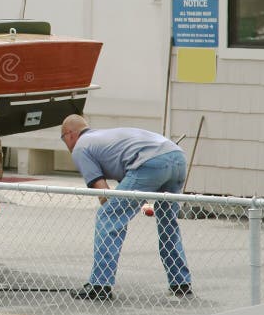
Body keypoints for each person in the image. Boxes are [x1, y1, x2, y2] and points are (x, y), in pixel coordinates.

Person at [60, 114, 192, 300]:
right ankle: (181, 282)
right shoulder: (105, 138)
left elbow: (104, 193)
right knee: (168, 223)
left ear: (70, 134)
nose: (64, 142)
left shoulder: (81, 147)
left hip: (149, 162)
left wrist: (119, 209)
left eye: (62, 137)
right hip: (177, 156)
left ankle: (100, 285)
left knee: (108, 216)